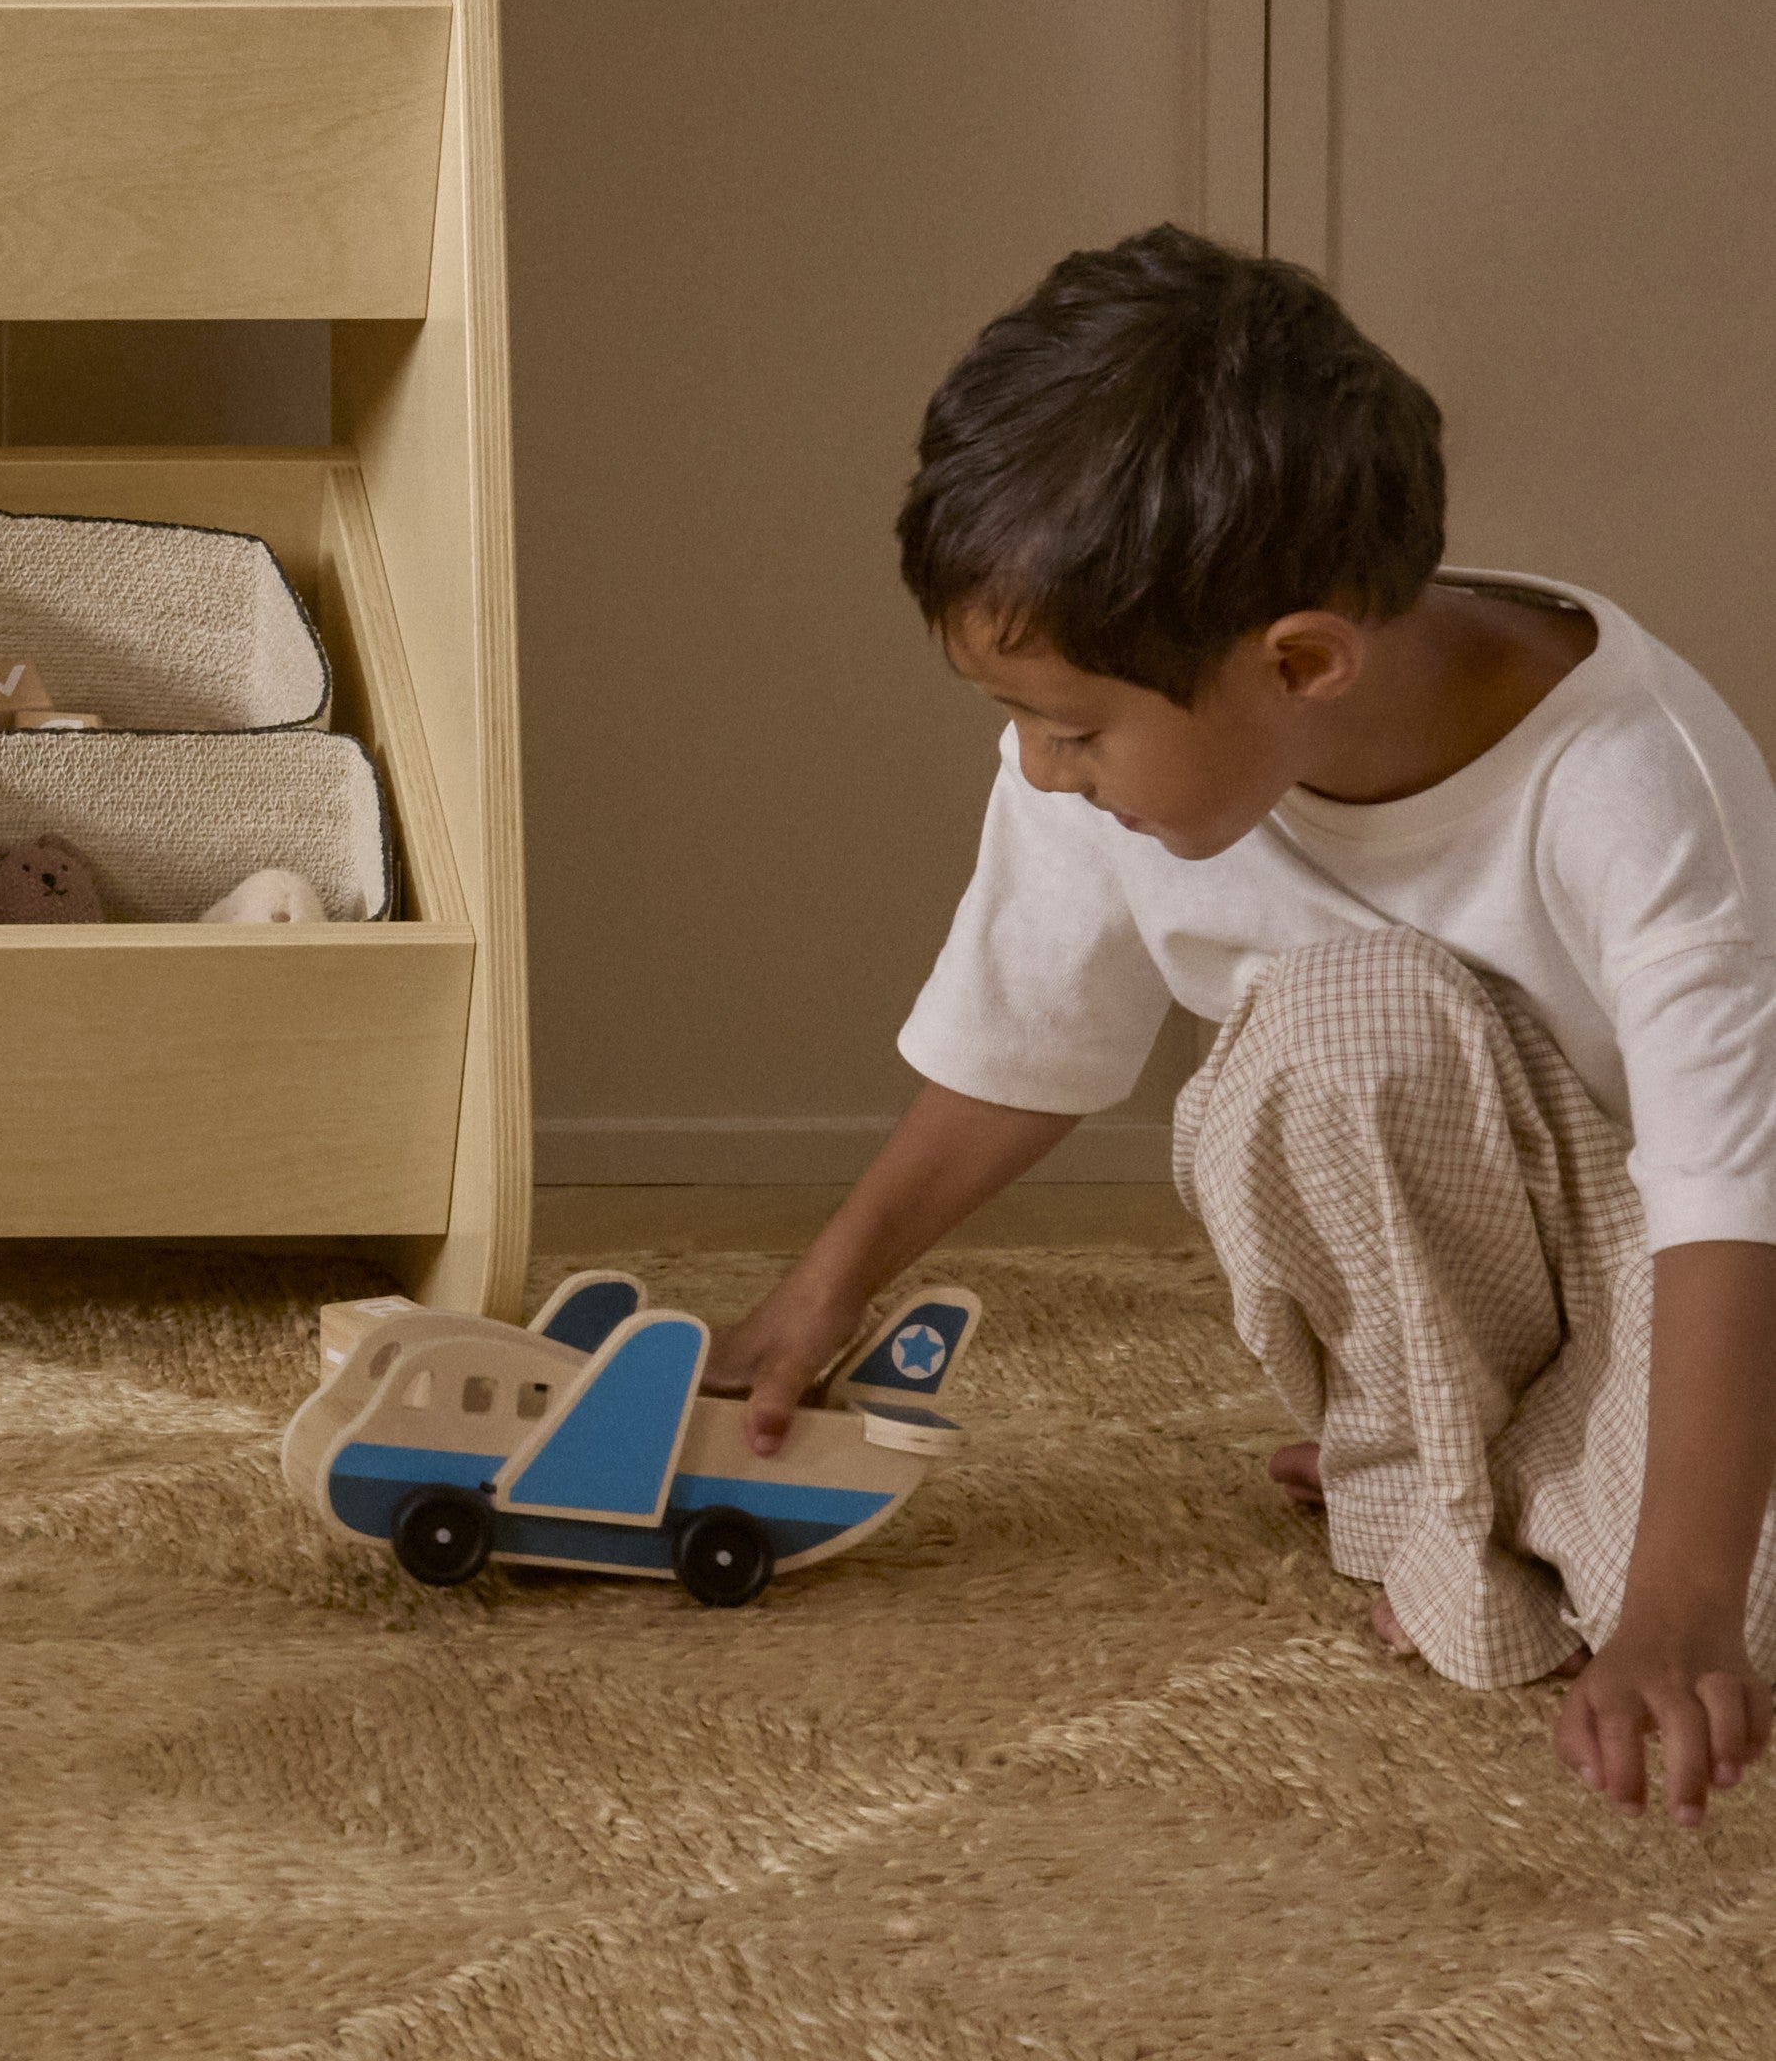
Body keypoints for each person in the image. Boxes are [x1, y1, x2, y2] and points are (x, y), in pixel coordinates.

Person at [711, 227, 1776, 1827]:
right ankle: (1453, 1473)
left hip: (1675, 1260)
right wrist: (821, 1289)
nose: (1042, 769)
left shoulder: (1625, 788)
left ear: (1298, 663)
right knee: (1339, 1019)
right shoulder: (1100, 741)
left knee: (1727, 1601)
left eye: (1071, 730)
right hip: (1474, 1231)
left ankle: (1481, 1486)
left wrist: (1682, 1608)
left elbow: (1723, 1196)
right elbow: (1023, 1040)